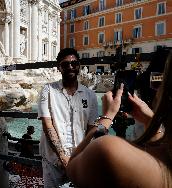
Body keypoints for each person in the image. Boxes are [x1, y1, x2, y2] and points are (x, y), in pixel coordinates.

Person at [66, 50, 172, 187]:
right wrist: (152, 123)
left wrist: (107, 116)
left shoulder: (110, 150)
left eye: (157, 81)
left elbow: (72, 168)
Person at [38, 48, 98, 187]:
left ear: (79, 66)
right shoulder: (48, 90)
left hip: (80, 158)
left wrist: (79, 156)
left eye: (74, 63)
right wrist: (63, 157)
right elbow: (47, 124)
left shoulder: (90, 95)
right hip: (52, 160)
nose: (70, 67)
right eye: (65, 64)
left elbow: (92, 128)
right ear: (59, 67)